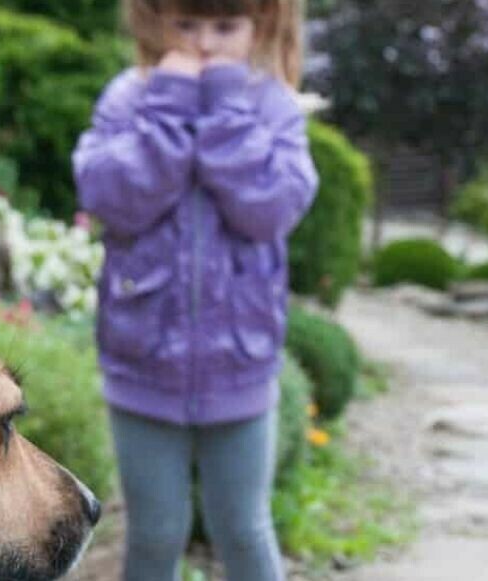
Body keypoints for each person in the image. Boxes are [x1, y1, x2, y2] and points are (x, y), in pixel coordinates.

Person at [72, 0, 318, 579]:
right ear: (158, 22)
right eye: (188, 24)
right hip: (142, 366)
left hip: (241, 364)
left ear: (260, 27)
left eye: (225, 26)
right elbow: (112, 199)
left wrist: (226, 113)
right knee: (155, 533)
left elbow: (273, 210)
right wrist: (171, 110)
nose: (205, 44)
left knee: (245, 529)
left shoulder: (271, 106)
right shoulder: (131, 99)